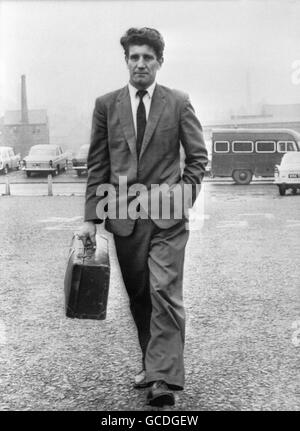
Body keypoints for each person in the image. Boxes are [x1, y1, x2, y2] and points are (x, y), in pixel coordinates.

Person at [77, 27, 208, 407]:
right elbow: (98, 164)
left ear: (159, 62)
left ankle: (162, 380)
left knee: (164, 292)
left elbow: (198, 160)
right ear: (126, 62)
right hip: (123, 218)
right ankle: (154, 366)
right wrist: (91, 219)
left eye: (148, 57)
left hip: (168, 219)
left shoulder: (179, 103)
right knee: (140, 296)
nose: (140, 64)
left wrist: (182, 196)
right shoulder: (106, 105)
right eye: (134, 57)